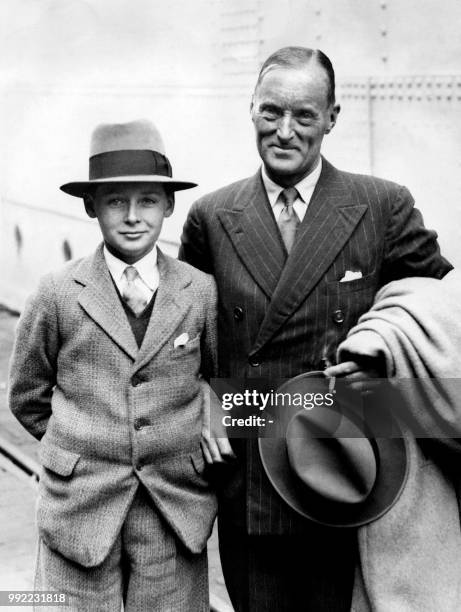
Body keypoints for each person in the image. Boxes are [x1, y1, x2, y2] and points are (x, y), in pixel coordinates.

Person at [178, 47, 452, 611]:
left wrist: (388, 358)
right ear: (251, 110)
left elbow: (439, 314)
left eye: (304, 116)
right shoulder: (211, 216)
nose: (284, 131)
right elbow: (185, 342)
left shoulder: (381, 206)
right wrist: (203, 397)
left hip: (348, 468)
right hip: (251, 469)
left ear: (331, 117)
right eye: (270, 112)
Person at [8, 119, 218, 612]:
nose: (131, 217)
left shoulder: (199, 292)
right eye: (114, 202)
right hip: (79, 511)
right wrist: (80, 450)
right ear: (91, 207)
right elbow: (27, 396)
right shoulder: (57, 292)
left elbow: (213, 381)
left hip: (171, 509)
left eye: (147, 200)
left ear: (168, 206)